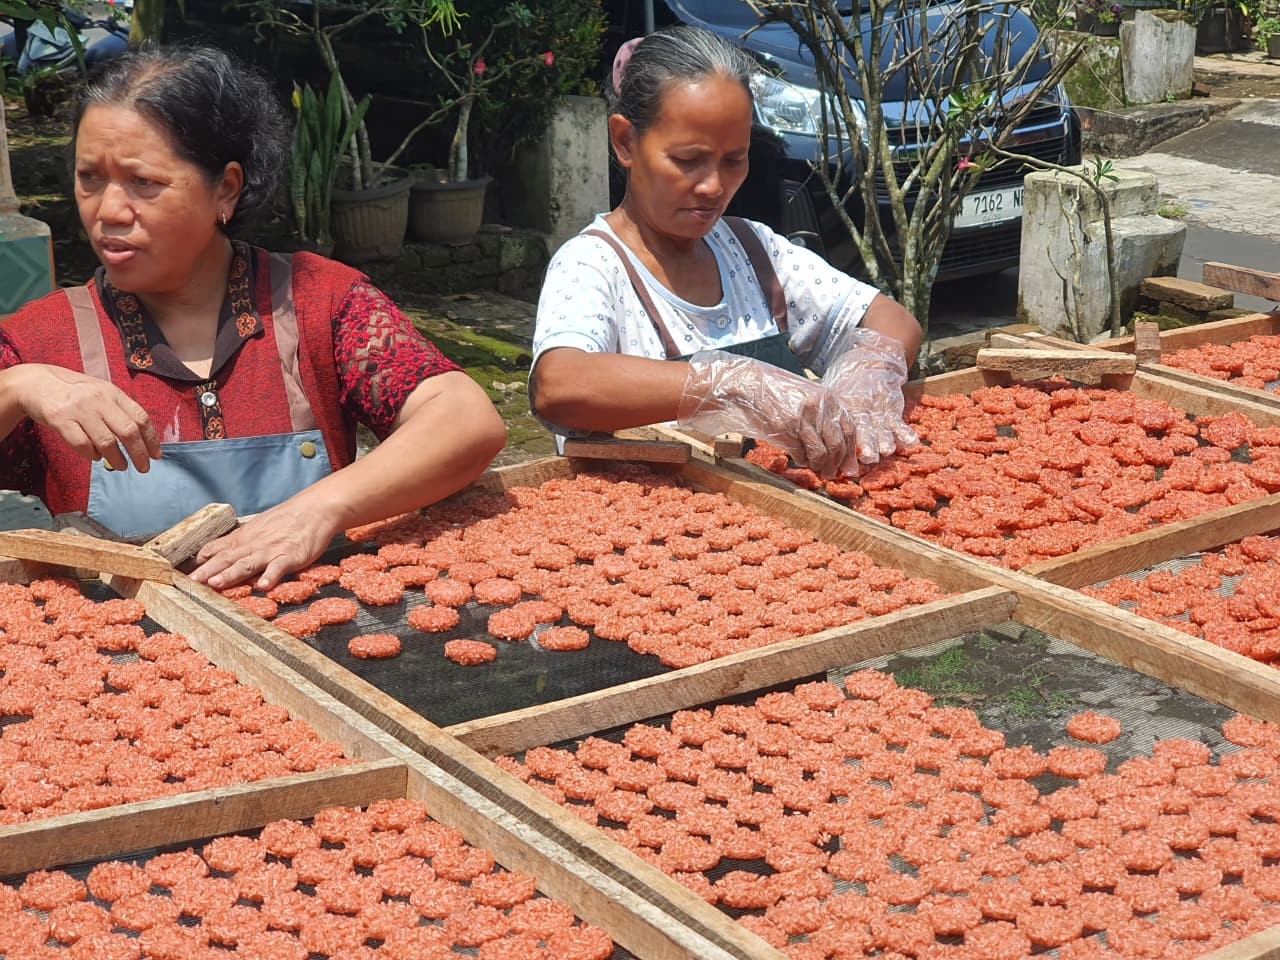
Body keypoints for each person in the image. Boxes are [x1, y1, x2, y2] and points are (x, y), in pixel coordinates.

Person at [0, 44, 506, 589]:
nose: (108, 211)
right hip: (116, 657)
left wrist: (315, 511)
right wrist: (17, 388)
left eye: (144, 183)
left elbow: (465, 419)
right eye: (90, 179)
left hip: (313, 648)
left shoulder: (319, 301)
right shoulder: (37, 340)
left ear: (226, 188)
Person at [531, 26, 923, 478]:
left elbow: (893, 321)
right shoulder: (593, 265)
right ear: (625, 142)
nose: (714, 186)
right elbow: (559, 384)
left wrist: (868, 371)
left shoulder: (754, 252)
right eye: (688, 160)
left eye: (734, 159)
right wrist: (729, 385)